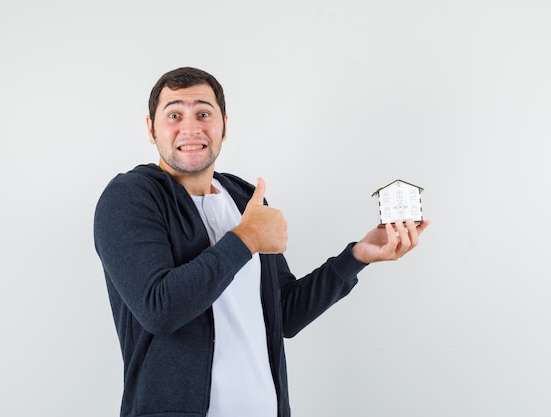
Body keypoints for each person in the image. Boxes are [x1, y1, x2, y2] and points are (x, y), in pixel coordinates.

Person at [93, 66, 430, 417]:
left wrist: (358, 256)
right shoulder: (129, 197)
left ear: (223, 124)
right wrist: (247, 237)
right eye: (174, 114)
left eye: (204, 114)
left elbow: (284, 314)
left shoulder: (244, 199)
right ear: (151, 128)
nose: (190, 128)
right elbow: (160, 309)